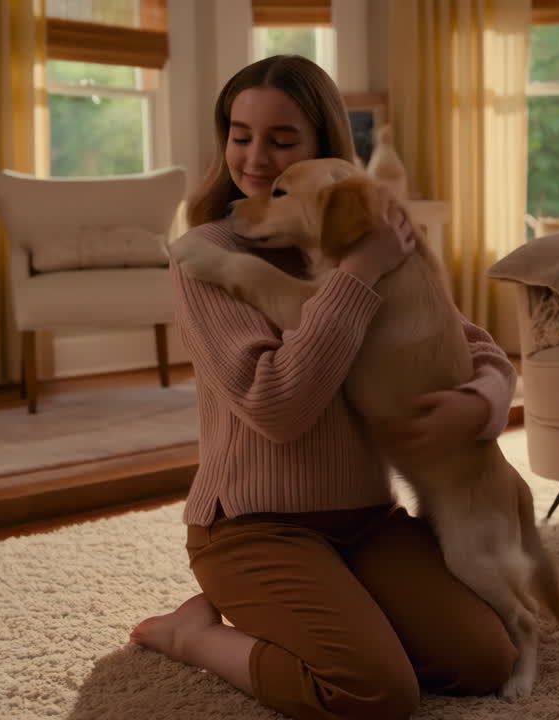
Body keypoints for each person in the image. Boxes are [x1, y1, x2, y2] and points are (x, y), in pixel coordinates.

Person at [131, 55, 520, 720]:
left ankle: (355, 613)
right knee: (373, 693)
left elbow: (471, 342)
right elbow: (277, 406)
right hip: (254, 528)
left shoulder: (366, 231)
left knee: (486, 659)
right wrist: (359, 276)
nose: (255, 158)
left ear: (322, 150)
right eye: (239, 133)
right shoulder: (206, 256)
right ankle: (194, 636)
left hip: (366, 520)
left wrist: (479, 401)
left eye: (282, 141)